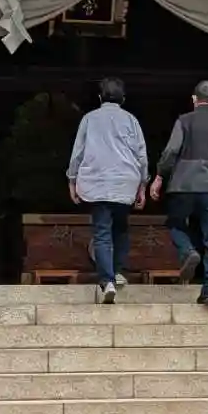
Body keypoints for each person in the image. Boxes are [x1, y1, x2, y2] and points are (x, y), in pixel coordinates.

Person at [149, 79, 208, 306]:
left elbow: (171, 152)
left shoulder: (184, 121)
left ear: (194, 100)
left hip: (183, 185)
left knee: (175, 224)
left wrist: (160, 176)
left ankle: (188, 250)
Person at [66, 77, 150, 303]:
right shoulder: (131, 120)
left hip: (98, 181)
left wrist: (72, 180)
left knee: (102, 232)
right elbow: (141, 155)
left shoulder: (89, 119)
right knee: (121, 229)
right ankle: (118, 271)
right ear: (123, 99)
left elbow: (78, 152)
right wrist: (142, 185)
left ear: (100, 97)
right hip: (125, 181)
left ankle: (107, 280)